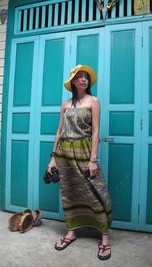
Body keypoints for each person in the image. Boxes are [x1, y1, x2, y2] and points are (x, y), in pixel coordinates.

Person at [47, 64, 112, 260]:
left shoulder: (93, 101)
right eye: (80, 76)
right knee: (69, 192)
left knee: (96, 192)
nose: (84, 79)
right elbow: (59, 131)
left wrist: (93, 159)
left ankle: (105, 237)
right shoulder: (65, 104)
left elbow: (95, 132)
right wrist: (53, 158)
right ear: (73, 81)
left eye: (86, 77)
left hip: (84, 151)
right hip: (64, 153)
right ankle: (71, 232)